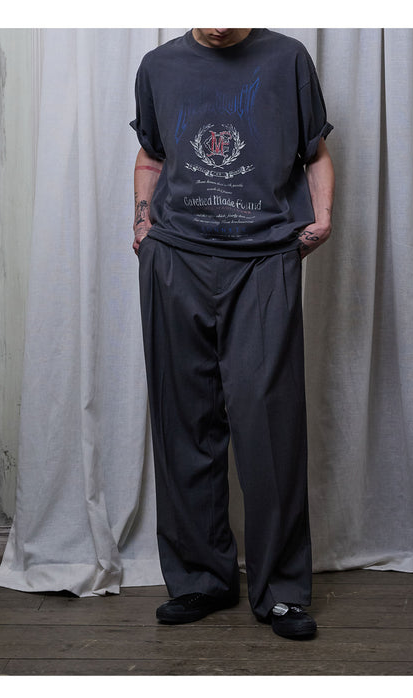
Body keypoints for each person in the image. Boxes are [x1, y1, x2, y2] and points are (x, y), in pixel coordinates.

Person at [130, 28, 334, 640]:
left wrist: (323, 218)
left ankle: (282, 593)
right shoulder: (158, 66)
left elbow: (315, 153)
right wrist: (141, 225)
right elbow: (151, 157)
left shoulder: (287, 58)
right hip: (176, 257)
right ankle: (201, 579)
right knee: (184, 421)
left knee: (269, 424)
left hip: (264, 259)